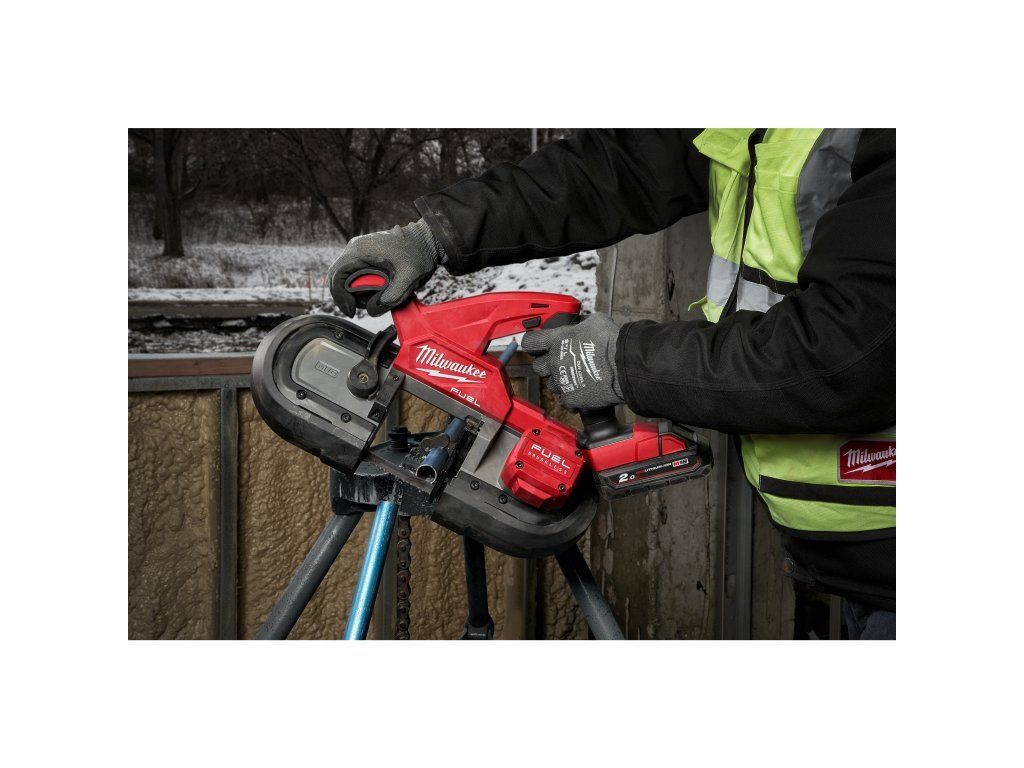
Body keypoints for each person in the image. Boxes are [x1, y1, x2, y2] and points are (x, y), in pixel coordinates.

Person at [327, 129, 896, 640]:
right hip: (848, 553)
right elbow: (611, 169)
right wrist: (436, 235)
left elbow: (848, 352)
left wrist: (623, 360)